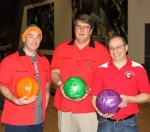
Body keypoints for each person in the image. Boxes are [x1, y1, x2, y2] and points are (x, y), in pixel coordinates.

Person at [50, 14, 110, 132]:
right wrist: (60, 84)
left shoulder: (102, 51)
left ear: (91, 30)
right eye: (78, 27)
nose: (81, 30)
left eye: (86, 27)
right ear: (74, 29)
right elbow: (54, 71)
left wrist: (90, 90)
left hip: (89, 108)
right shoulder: (61, 48)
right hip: (65, 105)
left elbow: (106, 78)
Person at [91, 35, 150, 132]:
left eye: (118, 47)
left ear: (126, 47)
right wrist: (99, 111)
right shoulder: (100, 70)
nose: (115, 51)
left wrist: (129, 99)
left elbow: (147, 96)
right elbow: (94, 97)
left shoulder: (138, 68)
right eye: (111, 48)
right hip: (105, 123)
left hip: (129, 123)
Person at [0, 24, 51, 132]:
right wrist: (16, 100)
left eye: (38, 37)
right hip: (16, 119)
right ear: (24, 38)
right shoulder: (10, 61)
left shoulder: (45, 61)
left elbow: (47, 81)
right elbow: (2, 85)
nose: (35, 40)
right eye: (31, 36)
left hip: (38, 118)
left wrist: (46, 92)